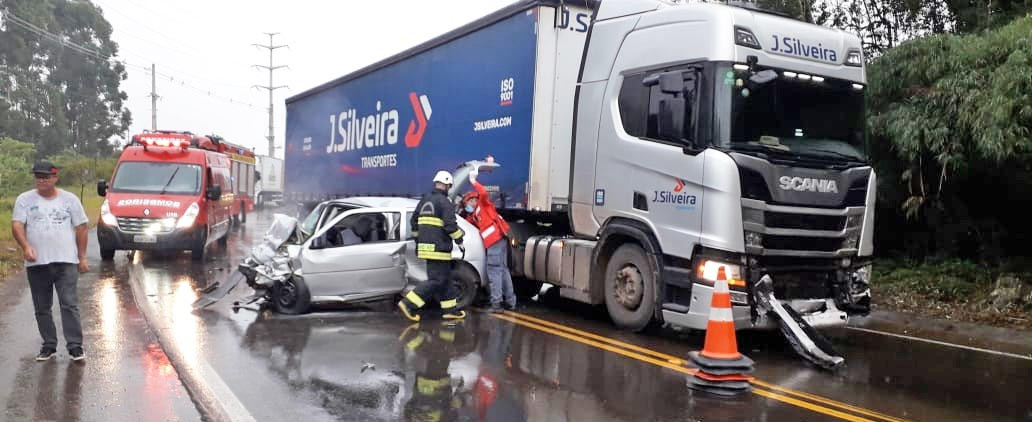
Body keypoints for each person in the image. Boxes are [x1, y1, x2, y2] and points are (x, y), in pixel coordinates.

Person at [11, 161, 89, 362]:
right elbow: (17, 225)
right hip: (37, 263)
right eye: (38, 177)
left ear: (55, 178)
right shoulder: (24, 200)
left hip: (66, 262)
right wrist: (25, 246)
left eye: (46, 177)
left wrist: (82, 257)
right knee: (42, 307)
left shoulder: (69, 200)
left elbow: (81, 228)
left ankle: (75, 347)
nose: (41, 180)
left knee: (69, 304)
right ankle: (49, 345)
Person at [398, 170, 466, 321]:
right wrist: (459, 240)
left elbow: (413, 223)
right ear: (447, 185)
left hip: (426, 248)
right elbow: (450, 226)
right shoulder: (445, 202)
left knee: (445, 279)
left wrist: (418, 241)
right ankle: (408, 304)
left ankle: (450, 310)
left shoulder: (424, 200)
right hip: (439, 249)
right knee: (436, 280)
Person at [461, 165, 515, 313]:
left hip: (495, 241)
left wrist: (473, 181)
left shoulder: (483, 204)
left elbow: (483, 192)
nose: (467, 206)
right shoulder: (473, 215)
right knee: (503, 270)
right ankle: (510, 301)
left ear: (473, 200)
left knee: (494, 271)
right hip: (499, 240)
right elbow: (467, 222)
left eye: (467, 203)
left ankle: (496, 304)